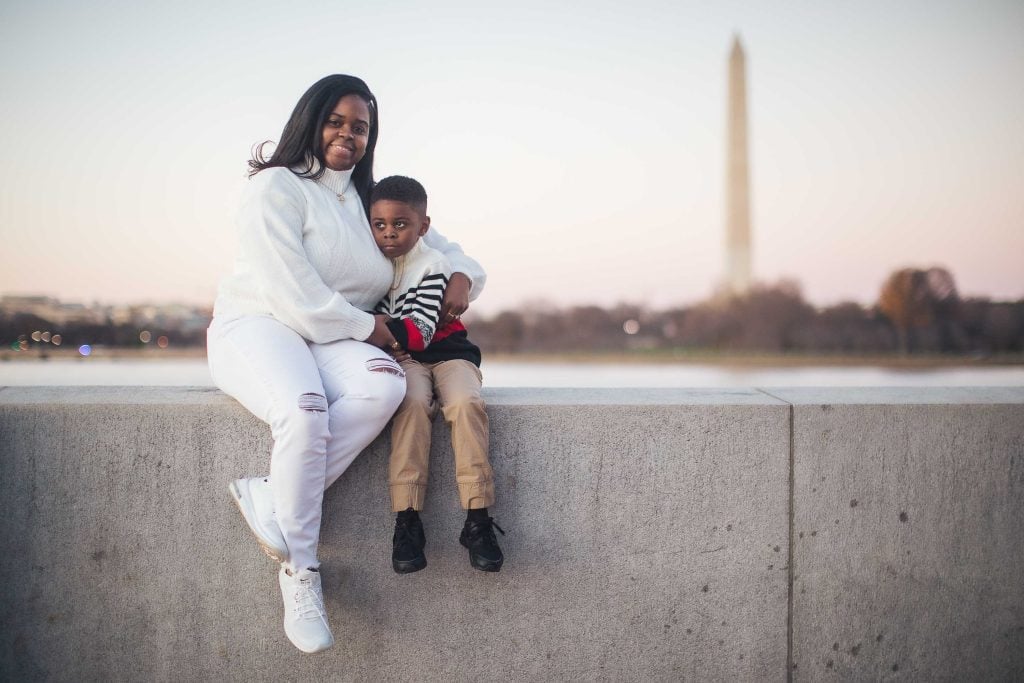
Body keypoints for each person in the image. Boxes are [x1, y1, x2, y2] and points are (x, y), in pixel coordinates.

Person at [207, 76, 486, 653]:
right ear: (310, 120)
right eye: (336, 121)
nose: (347, 134)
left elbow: (440, 248)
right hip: (262, 324)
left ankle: (271, 493)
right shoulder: (275, 189)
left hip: (333, 339)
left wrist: (463, 275)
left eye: (360, 127)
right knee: (305, 413)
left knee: (384, 389)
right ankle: (301, 572)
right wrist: (370, 327)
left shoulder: (366, 199)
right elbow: (292, 288)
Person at [369, 175, 504, 575]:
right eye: (380, 225)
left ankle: (477, 517)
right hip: (406, 360)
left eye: (400, 224)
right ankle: (407, 518)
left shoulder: (433, 263)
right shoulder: (367, 262)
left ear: (422, 226)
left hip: (449, 354)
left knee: (465, 403)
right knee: (409, 404)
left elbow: (420, 330)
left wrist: (369, 326)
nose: (389, 233)